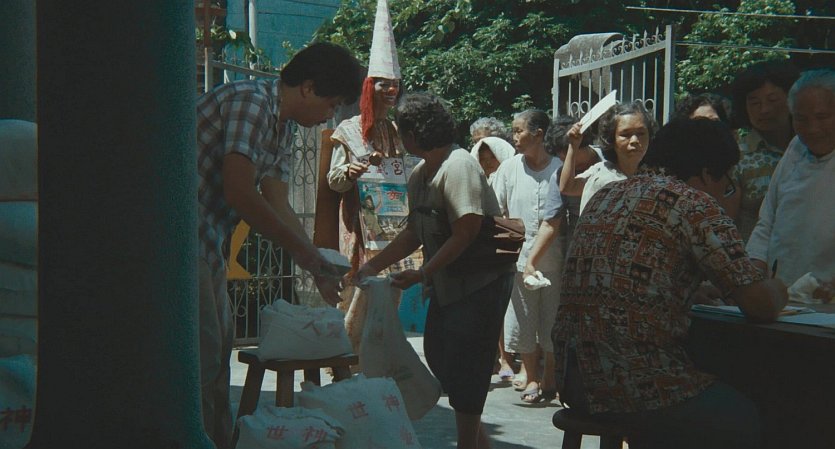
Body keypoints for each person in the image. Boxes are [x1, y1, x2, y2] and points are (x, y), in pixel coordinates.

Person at [553, 118, 788, 449]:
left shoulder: (606, 195)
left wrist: (686, 290)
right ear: (706, 174)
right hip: (635, 387)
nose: (725, 193)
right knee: (748, 415)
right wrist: (780, 289)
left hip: (574, 382)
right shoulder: (695, 203)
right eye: (726, 183)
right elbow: (759, 304)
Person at [196, 42, 362, 449]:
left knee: (216, 360)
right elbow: (239, 191)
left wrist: (316, 265)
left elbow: (277, 201)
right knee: (200, 360)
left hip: (208, 245)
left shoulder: (282, 126)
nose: (330, 116)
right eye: (331, 104)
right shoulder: (252, 102)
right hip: (180, 241)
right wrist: (306, 255)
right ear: (308, 88)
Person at [354, 92, 514, 449]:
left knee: (467, 367)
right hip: (448, 285)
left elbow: (466, 230)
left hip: (481, 285)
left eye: (401, 131)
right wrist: (373, 265)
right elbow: (413, 232)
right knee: (442, 357)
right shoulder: (420, 174)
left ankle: (468, 444)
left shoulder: (459, 166)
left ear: (413, 133)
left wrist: (424, 273)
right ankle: (479, 442)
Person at [325, 0, 420, 351]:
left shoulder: (395, 131)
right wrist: (352, 170)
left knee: (389, 288)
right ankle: (347, 354)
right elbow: (334, 180)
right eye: (383, 84)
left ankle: (378, 353)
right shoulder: (349, 129)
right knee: (357, 288)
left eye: (395, 84)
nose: (391, 90)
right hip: (358, 226)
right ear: (370, 87)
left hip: (391, 223)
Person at [492, 109, 563, 403]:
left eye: (519, 131)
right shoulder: (509, 169)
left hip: (555, 261)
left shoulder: (560, 167)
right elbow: (497, 211)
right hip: (519, 261)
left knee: (552, 321)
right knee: (523, 320)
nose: (514, 137)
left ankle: (550, 377)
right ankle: (531, 376)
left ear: (538, 134)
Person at [747, 68, 835, 294]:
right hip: (782, 294)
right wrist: (752, 276)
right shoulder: (796, 147)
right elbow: (767, 220)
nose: (812, 128)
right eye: (801, 119)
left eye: (822, 117)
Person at [730, 60, 800, 241]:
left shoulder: (812, 148)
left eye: (772, 100)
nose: (764, 110)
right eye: (754, 103)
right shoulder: (736, 157)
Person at [469, 133, 516, 383]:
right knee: (491, 305)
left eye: (492, 158)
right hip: (483, 247)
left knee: (509, 303)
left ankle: (509, 357)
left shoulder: (512, 176)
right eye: (483, 159)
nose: (488, 163)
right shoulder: (475, 181)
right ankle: (497, 358)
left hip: (509, 239)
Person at [559, 101, 657, 214]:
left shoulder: (655, 178)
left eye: (641, 133)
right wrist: (573, 146)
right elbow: (568, 187)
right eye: (625, 135)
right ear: (611, 139)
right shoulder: (601, 176)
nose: (634, 140)